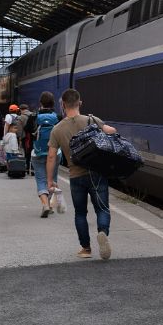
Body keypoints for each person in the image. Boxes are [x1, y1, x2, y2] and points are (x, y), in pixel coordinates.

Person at [46, 88, 117, 260]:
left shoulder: (57, 129)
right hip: (96, 173)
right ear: (80, 103)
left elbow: (51, 156)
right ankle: (102, 232)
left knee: (80, 213)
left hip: (75, 176)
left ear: (62, 105)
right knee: (102, 208)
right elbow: (111, 131)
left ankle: (86, 248)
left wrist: (50, 181)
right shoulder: (91, 120)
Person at [29, 92, 63, 218]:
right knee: (52, 178)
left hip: (37, 152)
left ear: (40, 103)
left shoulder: (34, 117)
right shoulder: (58, 117)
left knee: (41, 179)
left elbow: (28, 131)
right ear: (53, 103)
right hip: (55, 153)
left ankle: (45, 204)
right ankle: (51, 204)